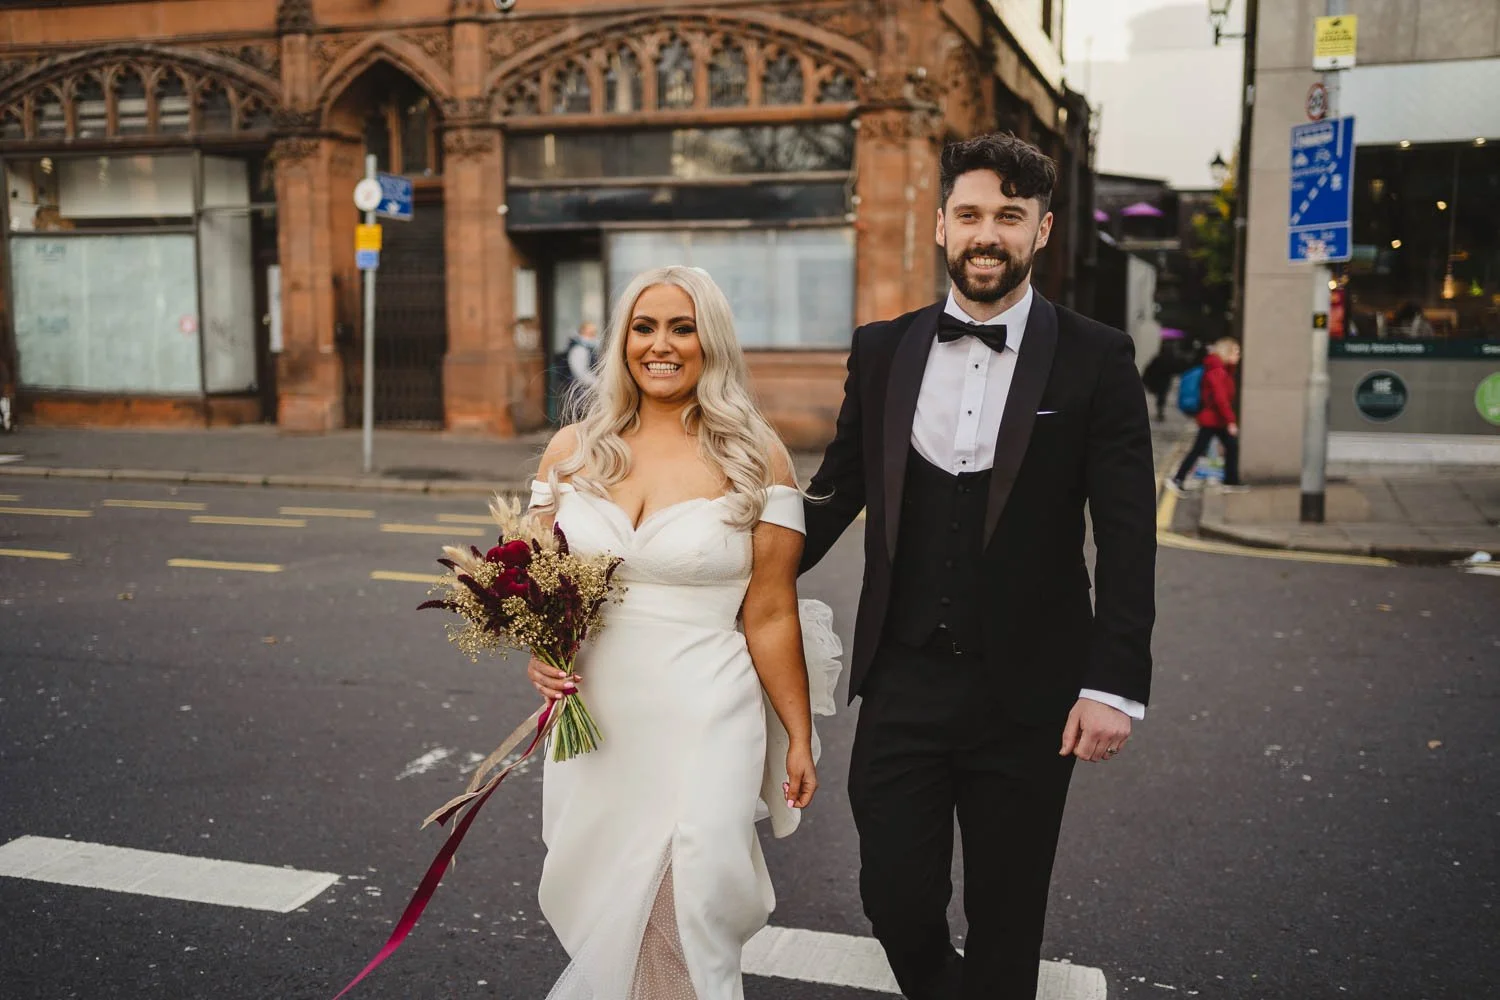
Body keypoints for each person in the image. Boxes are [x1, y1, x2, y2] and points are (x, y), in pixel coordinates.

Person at [800, 132, 1157, 1000]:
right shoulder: (881, 350)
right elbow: (831, 499)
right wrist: (715, 576)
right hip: (903, 679)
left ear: (1041, 230)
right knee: (894, 895)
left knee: (1007, 909)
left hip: (1030, 692)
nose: (986, 234)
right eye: (969, 215)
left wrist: (1112, 685)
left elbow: (1127, 532)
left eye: (1008, 216)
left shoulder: (1097, 356)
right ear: (940, 226)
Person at [525, 266, 830, 1000]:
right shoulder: (571, 450)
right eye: (644, 327)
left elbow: (770, 611)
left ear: (710, 342)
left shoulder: (756, 455)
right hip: (598, 721)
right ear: (622, 341)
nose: (660, 345)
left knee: (685, 903)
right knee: (610, 906)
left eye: (682, 328)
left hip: (707, 715)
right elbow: (538, 587)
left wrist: (797, 733)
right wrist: (541, 655)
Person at [1169, 336, 1245, 495]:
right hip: (1212, 419)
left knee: (1228, 446)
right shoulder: (1217, 370)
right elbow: (1220, 398)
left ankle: (1230, 481)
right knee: (1202, 449)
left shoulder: (1222, 369)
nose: (1239, 356)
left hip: (1215, 420)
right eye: (1235, 352)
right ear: (1226, 352)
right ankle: (1178, 479)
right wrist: (1230, 421)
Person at [566, 321, 601, 389]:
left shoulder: (590, 348)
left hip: (588, 387)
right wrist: (598, 384)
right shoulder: (578, 349)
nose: (593, 336)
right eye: (590, 333)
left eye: (594, 333)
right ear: (582, 333)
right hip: (581, 389)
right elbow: (581, 373)